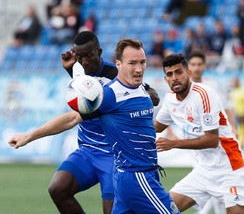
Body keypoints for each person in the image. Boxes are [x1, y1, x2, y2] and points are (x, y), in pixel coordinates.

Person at [8, 32, 159, 214]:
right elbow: (79, 103)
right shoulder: (78, 72)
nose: (85, 61)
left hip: (112, 155)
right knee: (58, 189)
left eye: (89, 56)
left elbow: (154, 97)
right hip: (87, 151)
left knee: (111, 211)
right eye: (80, 57)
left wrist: (129, 95)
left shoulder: (115, 75)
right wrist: (29, 136)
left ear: (99, 52)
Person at [40, 38, 179, 213]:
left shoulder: (136, 86)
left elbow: (150, 105)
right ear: (118, 64)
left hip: (128, 173)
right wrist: (29, 136)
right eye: (132, 63)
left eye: (142, 62)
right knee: (58, 188)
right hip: (137, 176)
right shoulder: (110, 94)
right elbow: (72, 118)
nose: (139, 68)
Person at [154, 54, 244, 213]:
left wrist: (173, 143)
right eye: (170, 74)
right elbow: (156, 127)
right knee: (163, 209)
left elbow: (211, 140)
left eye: (179, 72)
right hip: (203, 170)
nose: (175, 78)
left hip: (229, 167)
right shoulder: (170, 99)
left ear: (188, 73)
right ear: (166, 79)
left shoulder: (204, 94)